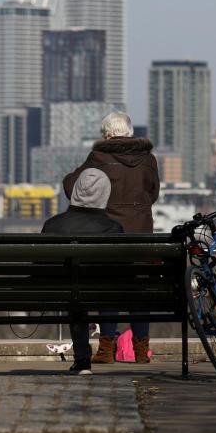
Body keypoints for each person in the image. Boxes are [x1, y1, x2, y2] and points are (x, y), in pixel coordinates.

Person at [62, 111, 160, 364]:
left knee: (108, 288)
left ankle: (106, 348)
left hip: (107, 234)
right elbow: (153, 192)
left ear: (106, 135)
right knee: (139, 291)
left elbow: (73, 188)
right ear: (129, 133)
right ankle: (140, 350)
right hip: (141, 237)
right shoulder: (147, 159)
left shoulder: (98, 157)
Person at [41, 168, 123, 375]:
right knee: (84, 292)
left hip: (63, 293)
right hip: (102, 292)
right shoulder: (113, 228)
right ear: (104, 194)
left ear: (76, 191)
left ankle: (81, 359)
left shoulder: (53, 225)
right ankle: (84, 358)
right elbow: (123, 270)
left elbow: (39, 268)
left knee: (74, 296)